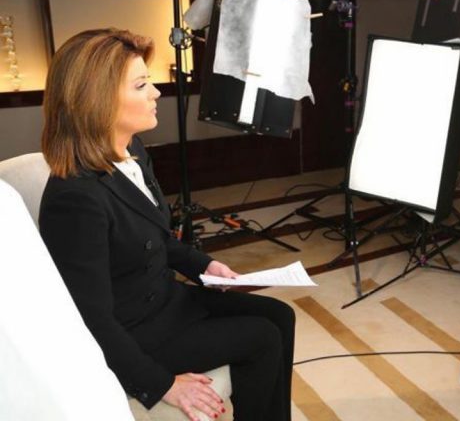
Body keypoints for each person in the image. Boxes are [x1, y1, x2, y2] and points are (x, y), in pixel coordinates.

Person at [39, 28, 295, 421]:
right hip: (135, 332)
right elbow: (91, 319)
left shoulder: (132, 149)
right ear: (97, 100)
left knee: (281, 316)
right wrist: (161, 384)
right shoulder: (74, 198)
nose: (156, 92)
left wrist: (205, 265)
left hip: (165, 302)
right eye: (141, 85)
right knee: (261, 338)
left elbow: (154, 236)